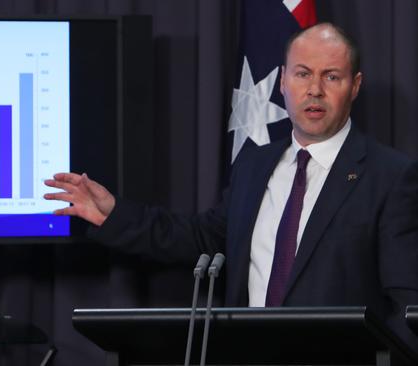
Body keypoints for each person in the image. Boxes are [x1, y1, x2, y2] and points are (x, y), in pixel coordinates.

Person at [44, 23, 418, 350]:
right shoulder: (255, 165)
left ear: (354, 86)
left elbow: (407, 307)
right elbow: (202, 240)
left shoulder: (391, 176)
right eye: (303, 74)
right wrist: (113, 215)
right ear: (284, 81)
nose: (315, 90)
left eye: (331, 76)